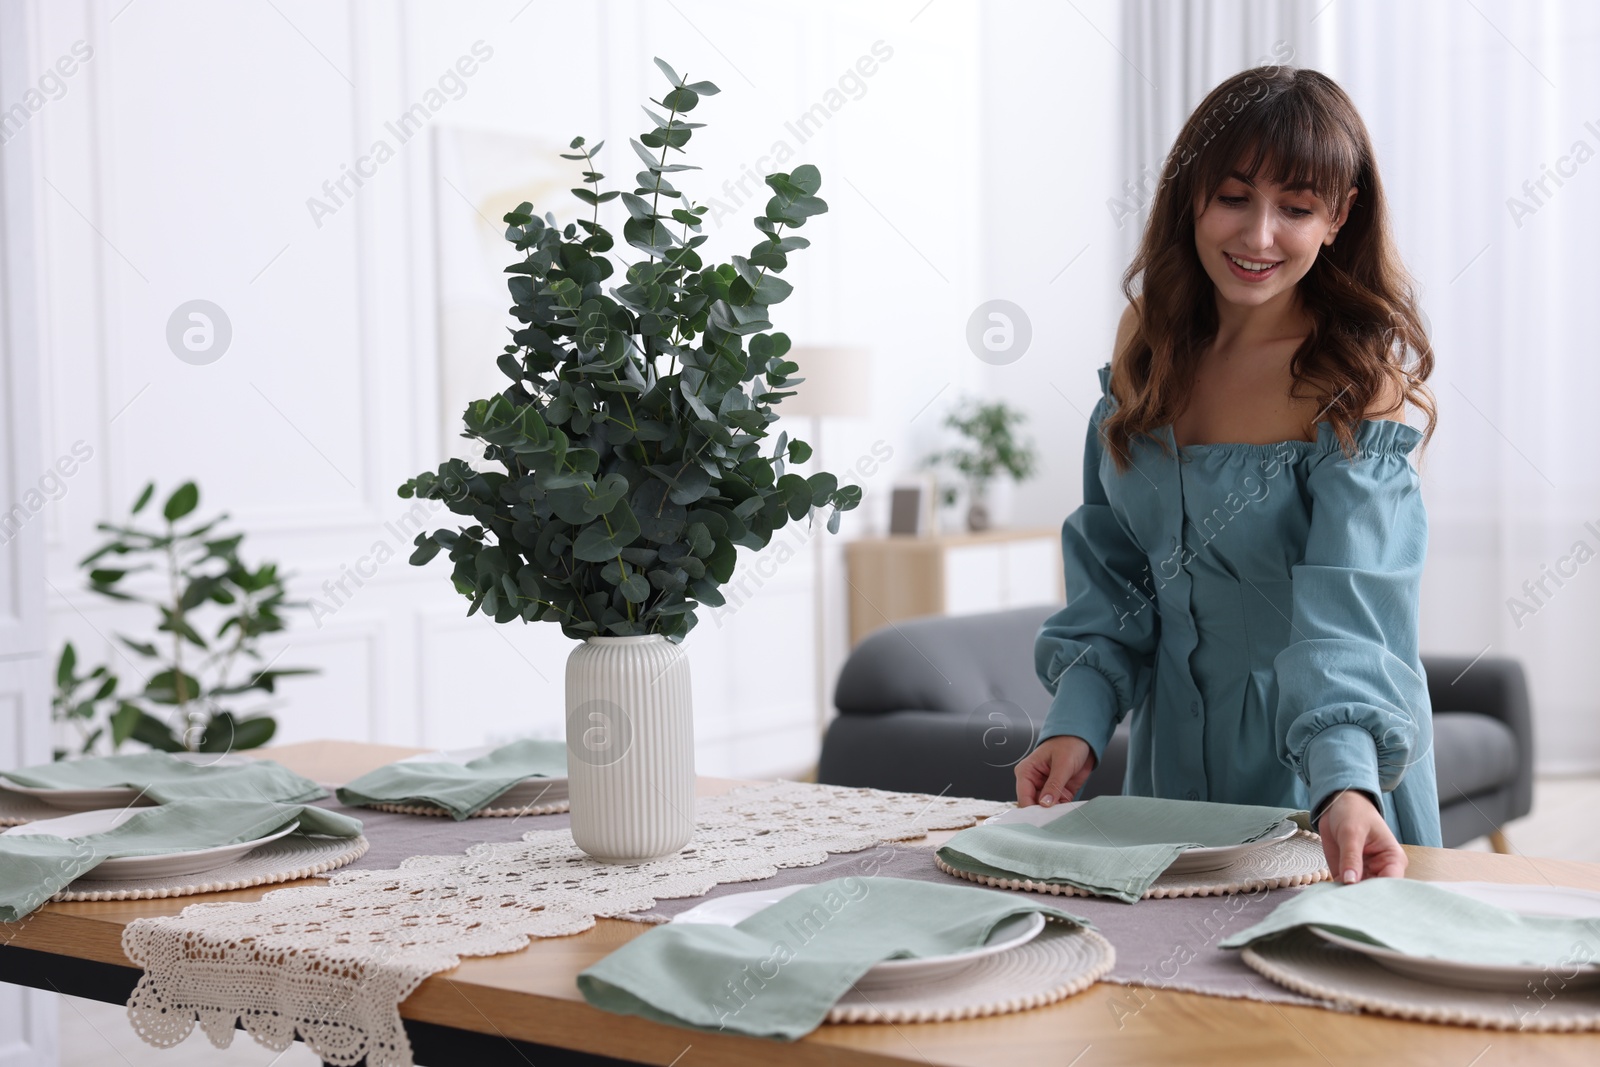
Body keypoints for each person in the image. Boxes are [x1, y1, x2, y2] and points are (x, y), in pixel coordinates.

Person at [1015, 64, 1442, 884]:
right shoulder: (1145, 344)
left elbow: (1353, 610)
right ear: (1191, 196)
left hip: (1323, 764)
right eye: (1234, 196)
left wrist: (1345, 781)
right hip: (1170, 761)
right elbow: (1114, 574)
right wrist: (1076, 720)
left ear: (1338, 216)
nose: (1258, 236)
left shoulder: (1358, 384)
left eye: (1297, 207)